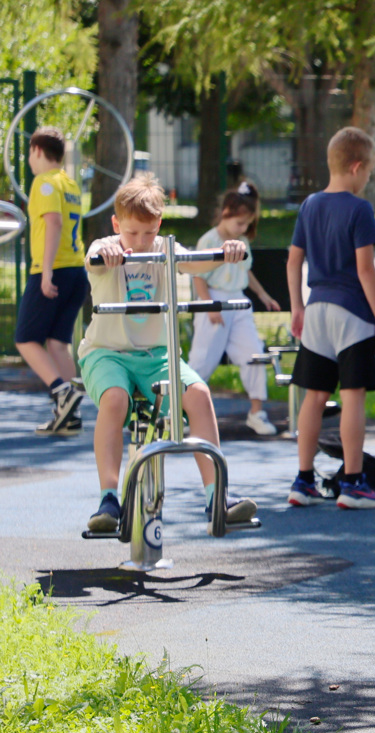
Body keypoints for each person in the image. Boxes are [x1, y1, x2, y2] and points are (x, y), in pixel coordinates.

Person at [81, 174, 257, 533]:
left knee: (200, 394)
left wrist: (226, 253)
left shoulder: (165, 248)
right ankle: (108, 499)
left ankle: (216, 497)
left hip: (158, 355)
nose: (141, 243)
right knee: (114, 399)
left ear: (158, 225)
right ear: (117, 225)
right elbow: (95, 259)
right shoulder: (105, 246)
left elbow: (194, 263)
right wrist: (110, 252)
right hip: (107, 353)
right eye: (131, 234)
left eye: (148, 233)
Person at [285, 126, 375, 511]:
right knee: (352, 399)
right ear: (357, 167)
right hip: (352, 314)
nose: (367, 181)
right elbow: (366, 270)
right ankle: (353, 481)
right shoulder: (360, 208)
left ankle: (303, 479)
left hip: (316, 310)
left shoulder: (310, 204)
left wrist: (297, 306)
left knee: (313, 397)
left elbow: (294, 260)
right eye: (368, 173)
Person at [187, 181, 281, 436]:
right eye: (240, 223)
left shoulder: (241, 242)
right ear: (226, 213)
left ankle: (256, 411)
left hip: (239, 302)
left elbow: (245, 271)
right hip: (214, 302)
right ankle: (182, 410)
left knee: (253, 353)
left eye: (247, 224)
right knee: (202, 359)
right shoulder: (208, 240)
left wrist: (263, 294)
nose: (244, 229)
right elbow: (198, 277)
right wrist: (209, 305)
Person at [14, 127, 88, 436]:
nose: (30, 161)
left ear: (37, 151)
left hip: (53, 269)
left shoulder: (43, 183)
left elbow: (54, 223)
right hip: (76, 271)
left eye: (30, 153)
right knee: (58, 343)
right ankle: (69, 413)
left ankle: (61, 391)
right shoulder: (70, 183)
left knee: (26, 340)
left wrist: (45, 272)